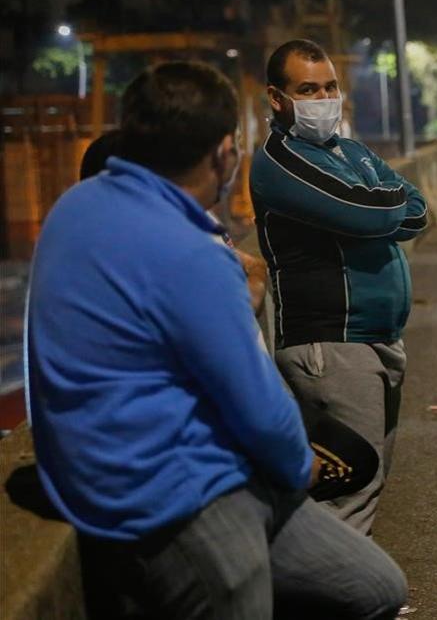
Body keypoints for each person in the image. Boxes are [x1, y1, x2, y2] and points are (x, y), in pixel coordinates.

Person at [26, 61, 407, 619]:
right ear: (225, 152)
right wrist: (303, 466)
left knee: (375, 586)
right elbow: (260, 409)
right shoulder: (192, 254)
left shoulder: (74, 209)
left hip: (96, 473)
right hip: (175, 502)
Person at [250, 39, 428, 534]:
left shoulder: (346, 151)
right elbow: (372, 212)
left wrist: (380, 203)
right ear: (276, 97)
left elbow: (418, 210)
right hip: (330, 345)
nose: (324, 98)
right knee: (349, 494)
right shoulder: (280, 161)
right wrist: (381, 203)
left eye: (329, 86)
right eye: (308, 89)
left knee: (367, 482)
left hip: (377, 341)